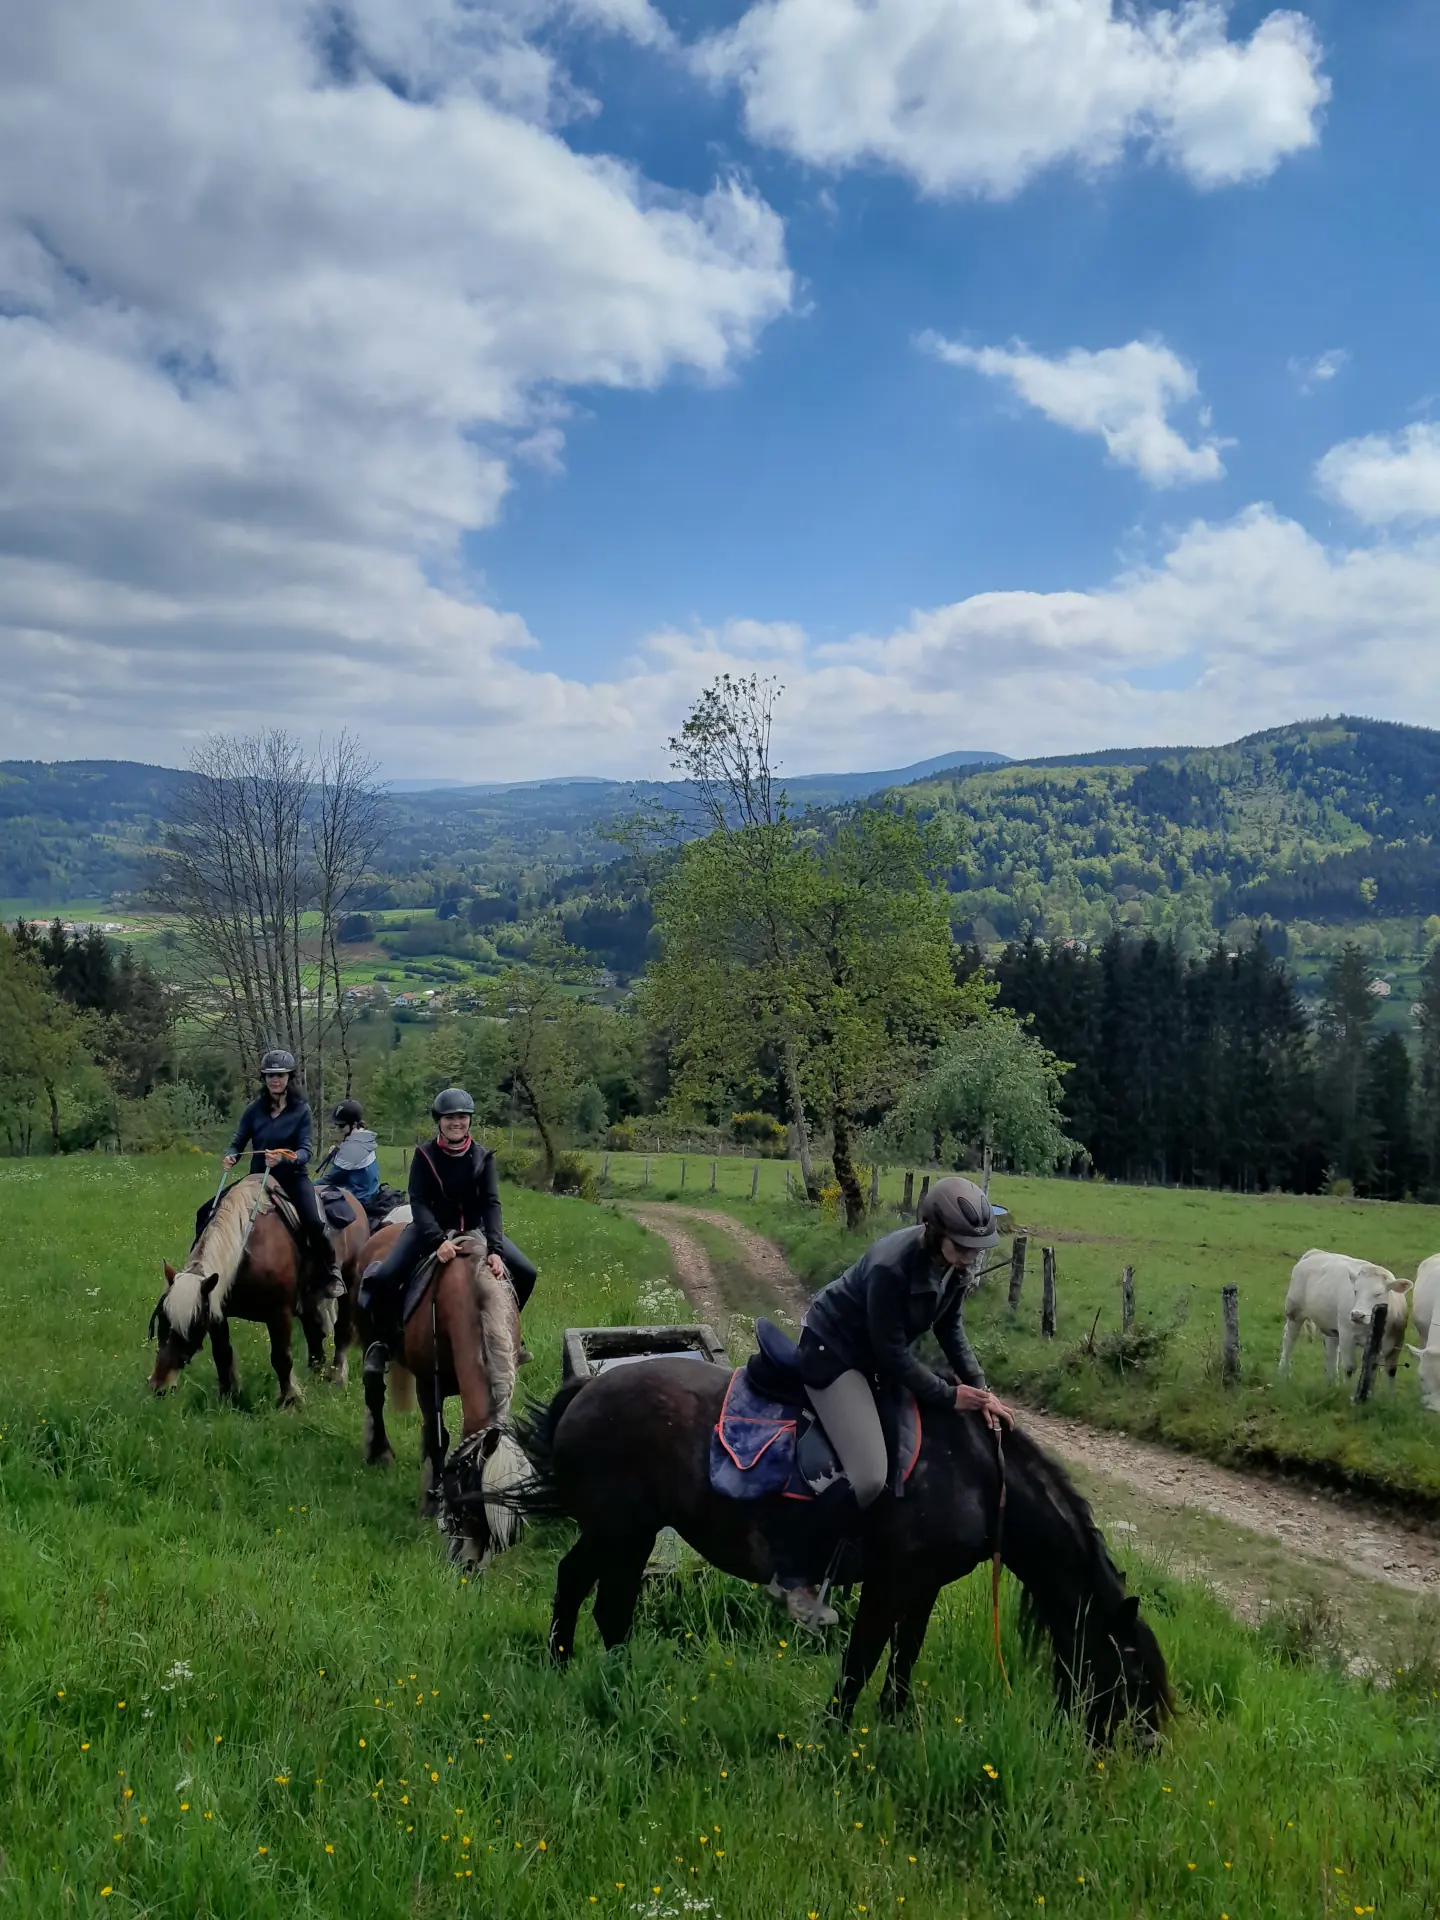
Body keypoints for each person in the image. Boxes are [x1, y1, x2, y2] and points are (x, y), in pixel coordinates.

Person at [779, 1176, 1015, 1628]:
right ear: (934, 1232)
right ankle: (796, 1579)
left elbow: (951, 1331)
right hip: (835, 1354)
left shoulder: (954, 1268)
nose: (971, 1256)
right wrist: (950, 1396)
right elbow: (891, 1356)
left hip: (875, 1357)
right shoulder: (892, 1267)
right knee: (869, 1476)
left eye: (977, 1247)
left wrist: (982, 1390)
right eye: (963, 1245)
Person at [359, 1087, 507, 1380]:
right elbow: (419, 1201)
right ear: (438, 1120)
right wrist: (437, 1240)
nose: (457, 1122)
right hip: (429, 1231)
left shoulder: (483, 1157)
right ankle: (382, 1343)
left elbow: (491, 1203)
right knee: (386, 1276)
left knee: (525, 1272)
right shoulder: (424, 1156)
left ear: (470, 1121)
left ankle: (511, 1337)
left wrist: (496, 1249)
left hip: (473, 1231)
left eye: (463, 1117)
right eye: (450, 1117)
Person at [223, 1050, 345, 1300]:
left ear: (290, 1076)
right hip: (258, 1179)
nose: (274, 1080)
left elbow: (306, 1151)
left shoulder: (301, 1110)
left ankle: (330, 1271)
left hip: (293, 1177)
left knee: (313, 1221)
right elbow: (237, 1142)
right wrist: (231, 1155)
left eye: (279, 1075)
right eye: (269, 1076)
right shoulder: (253, 1110)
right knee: (210, 1211)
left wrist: (284, 1157)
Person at [316, 1098, 380, 1205]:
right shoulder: (364, 1138)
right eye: (336, 1124)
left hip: (358, 1199)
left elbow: (330, 1179)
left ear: (354, 1125)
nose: (337, 1128)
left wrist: (306, 1186)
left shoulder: (353, 1147)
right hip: (368, 1193)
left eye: (341, 1125)